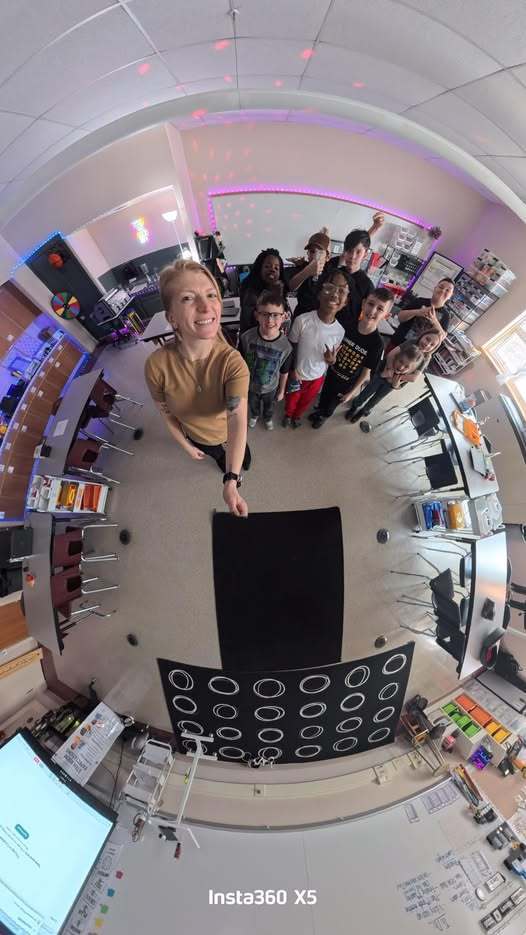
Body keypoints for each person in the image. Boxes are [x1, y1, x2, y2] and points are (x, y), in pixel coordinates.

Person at [144, 259, 251, 517]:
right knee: (216, 455)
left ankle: (237, 464)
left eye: (211, 294)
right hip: (200, 439)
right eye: (188, 298)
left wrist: (231, 479)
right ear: (172, 317)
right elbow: (166, 413)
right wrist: (186, 445)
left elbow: (237, 420)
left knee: (242, 459)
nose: (206, 307)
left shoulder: (233, 362)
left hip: (228, 433)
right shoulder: (156, 365)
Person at [310, 287, 393, 429]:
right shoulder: (347, 325)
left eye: (380, 308)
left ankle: (323, 416)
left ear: (386, 315)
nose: (372, 311)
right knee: (324, 396)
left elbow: (366, 373)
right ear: (363, 303)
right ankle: (319, 411)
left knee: (331, 406)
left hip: (346, 384)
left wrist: (351, 392)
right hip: (331, 374)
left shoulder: (377, 344)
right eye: (371, 304)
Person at [282, 270, 347, 428]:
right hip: (298, 373)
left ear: (345, 302)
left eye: (341, 290)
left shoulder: (340, 331)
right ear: (319, 294)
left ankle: (297, 416)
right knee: (292, 398)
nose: (334, 294)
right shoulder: (302, 321)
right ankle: (289, 414)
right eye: (330, 288)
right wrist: (292, 369)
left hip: (317, 377)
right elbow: (291, 347)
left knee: (306, 400)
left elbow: (331, 358)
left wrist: (331, 361)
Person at [239, 288, 292, 431]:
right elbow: (239, 364)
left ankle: (267, 418)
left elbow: (284, 372)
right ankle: (255, 415)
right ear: (257, 315)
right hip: (250, 386)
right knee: (253, 405)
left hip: (271, 387)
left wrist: (281, 390)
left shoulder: (286, 347)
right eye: (265, 314)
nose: (269, 320)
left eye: (275, 315)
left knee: (269, 407)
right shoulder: (246, 337)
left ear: (284, 317)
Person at [345, 341, 425, 423]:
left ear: (411, 370)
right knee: (366, 393)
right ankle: (354, 406)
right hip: (378, 378)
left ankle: (363, 411)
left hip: (388, 387)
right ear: (397, 357)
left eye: (406, 367)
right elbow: (378, 369)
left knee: (375, 400)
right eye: (401, 361)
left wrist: (395, 383)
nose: (401, 367)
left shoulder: (406, 375)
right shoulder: (389, 361)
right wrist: (383, 373)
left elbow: (398, 386)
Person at [388, 278, 455, 349]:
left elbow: (441, 337)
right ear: (435, 288)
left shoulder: (446, 315)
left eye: (448, 290)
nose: (443, 291)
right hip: (397, 343)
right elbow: (400, 317)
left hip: (416, 353)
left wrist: (434, 320)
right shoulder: (420, 301)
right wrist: (418, 312)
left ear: (450, 295)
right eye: (441, 287)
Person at [239, 248, 290, 333]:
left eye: (276, 268)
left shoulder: (278, 288)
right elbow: (254, 322)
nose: (272, 270)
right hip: (254, 342)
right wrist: (273, 295)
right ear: (259, 268)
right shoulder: (250, 291)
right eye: (267, 266)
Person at [287, 229, 331, 319]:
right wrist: (307, 271)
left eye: (320, 252)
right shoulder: (302, 267)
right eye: (312, 251)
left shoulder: (331, 274)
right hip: (300, 317)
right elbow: (291, 287)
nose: (315, 256)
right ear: (307, 254)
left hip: (320, 320)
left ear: (327, 257)